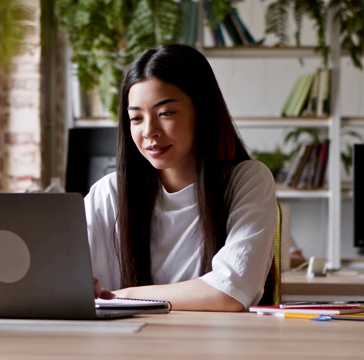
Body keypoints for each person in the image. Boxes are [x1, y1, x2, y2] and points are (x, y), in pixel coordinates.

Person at [85, 44, 277, 312]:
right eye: (136, 118)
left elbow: (231, 292)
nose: (149, 131)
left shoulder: (246, 180)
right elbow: (63, 279)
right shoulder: (109, 192)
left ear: (203, 112)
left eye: (166, 113)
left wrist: (120, 296)